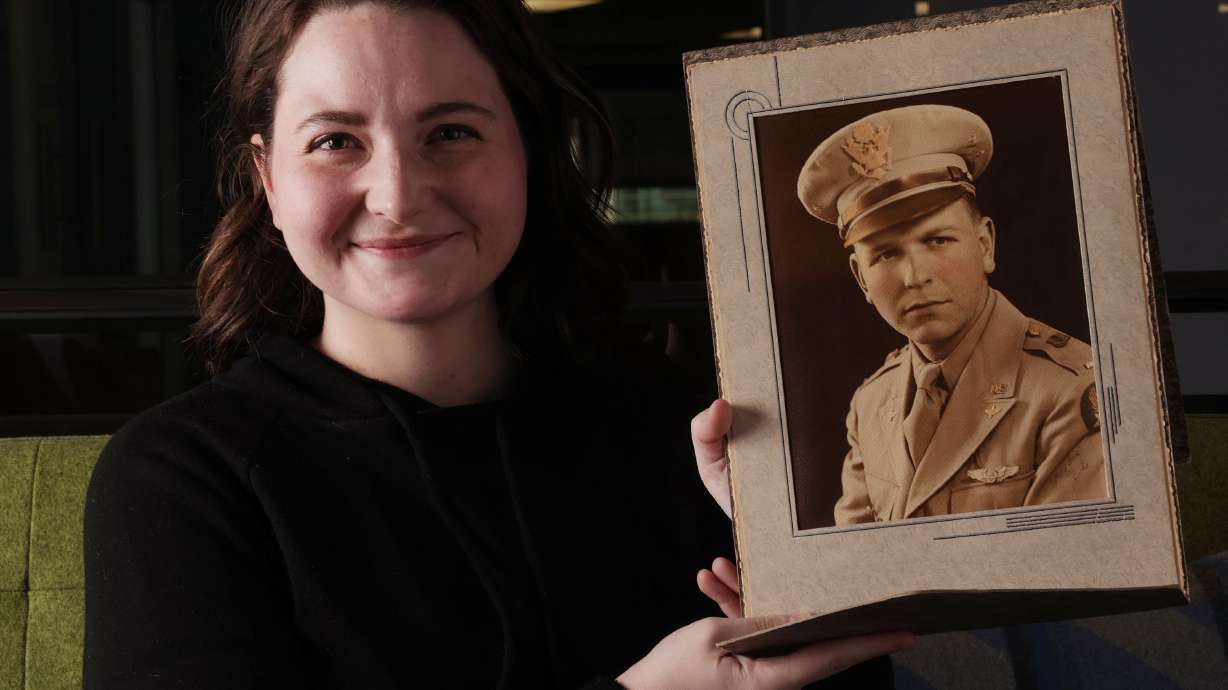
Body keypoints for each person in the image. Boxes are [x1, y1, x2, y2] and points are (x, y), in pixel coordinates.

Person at [83, 1, 912, 687]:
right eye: (335, 141)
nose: (399, 196)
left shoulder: (697, 438)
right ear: (267, 178)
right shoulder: (181, 478)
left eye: (450, 132)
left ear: (527, 151)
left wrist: (814, 563)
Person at [795, 104, 1106, 526]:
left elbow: (1062, 581)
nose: (915, 276)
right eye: (886, 254)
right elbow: (852, 569)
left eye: (938, 241)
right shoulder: (871, 403)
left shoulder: (1072, 391)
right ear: (861, 279)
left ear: (985, 245)